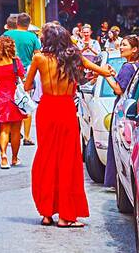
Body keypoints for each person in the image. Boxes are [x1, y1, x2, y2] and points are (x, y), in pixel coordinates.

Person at [23, 22, 113, 227]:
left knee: (46, 158)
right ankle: (65, 215)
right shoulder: (74, 56)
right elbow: (101, 71)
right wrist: (106, 71)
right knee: (67, 160)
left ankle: (46, 213)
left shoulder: (39, 58)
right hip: (65, 109)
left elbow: (27, 86)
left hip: (47, 109)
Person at [103, 36, 139, 189]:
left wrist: (106, 75)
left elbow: (118, 89)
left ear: (135, 49)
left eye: (124, 45)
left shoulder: (128, 66)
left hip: (123, 108)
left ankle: (115, 181)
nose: (120, 47)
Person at [0, 35, 25, 168]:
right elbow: (22, 75)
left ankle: (3, 156)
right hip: (15, 98)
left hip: (1, 98)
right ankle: (14, 158)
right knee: (15, 131)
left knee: (3, 130)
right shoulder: (15, 61)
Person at [7, 13, 41, 146]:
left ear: (17, 23)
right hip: (27, 73)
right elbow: (38, 56)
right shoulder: (33, 37)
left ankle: (13, 131)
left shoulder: (6, 35)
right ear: (29, 23)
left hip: (9, 72)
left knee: (12, 102)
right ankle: (26, 136)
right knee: (26, 103)